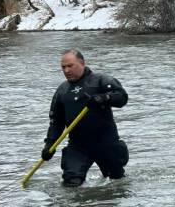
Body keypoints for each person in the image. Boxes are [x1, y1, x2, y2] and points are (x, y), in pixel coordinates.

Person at [41, 49, 129, 186]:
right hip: (78, 146)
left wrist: (104, 97)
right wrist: (49, 144)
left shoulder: (101, 80)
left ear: (82, 63)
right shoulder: (62, 91)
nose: (66, 70)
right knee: (71, 182)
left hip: (106, 142)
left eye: (70, 66)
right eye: (63, 67)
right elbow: (56, 122)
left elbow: (122, 97)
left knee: (116, 182)